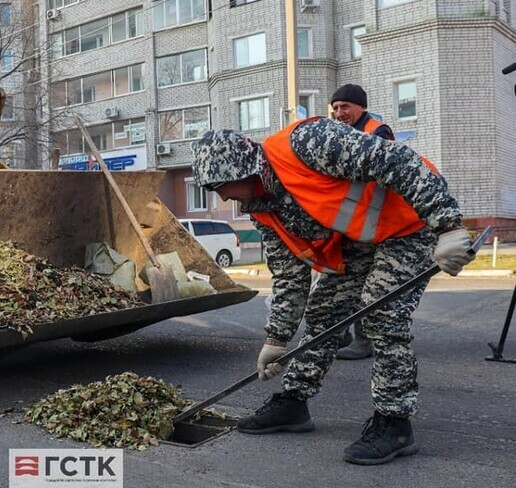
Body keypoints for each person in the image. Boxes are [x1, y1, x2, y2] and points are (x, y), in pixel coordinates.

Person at [191, 118, 474, 465]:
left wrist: (447, 224)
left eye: (223, 186)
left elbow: (395, 159)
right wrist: (276, 340)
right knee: (324, 309)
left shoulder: (308, 143)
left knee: (381, 314)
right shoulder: (262, 207)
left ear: (247, 171)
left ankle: (395, 422)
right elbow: (289, 277)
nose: (222, 196)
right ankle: (294, 403)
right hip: (364, 240)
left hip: (410, 225)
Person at [329, 84, 392, 360]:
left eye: (345, 107)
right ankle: (339, 334)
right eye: (336, 108)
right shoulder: (339, 133)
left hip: (374, 223)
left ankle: (364, 340)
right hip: (350, 223)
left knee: (364, 283)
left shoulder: (378, 131)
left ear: (361, 107)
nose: (340, 112)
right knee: (341, 280)